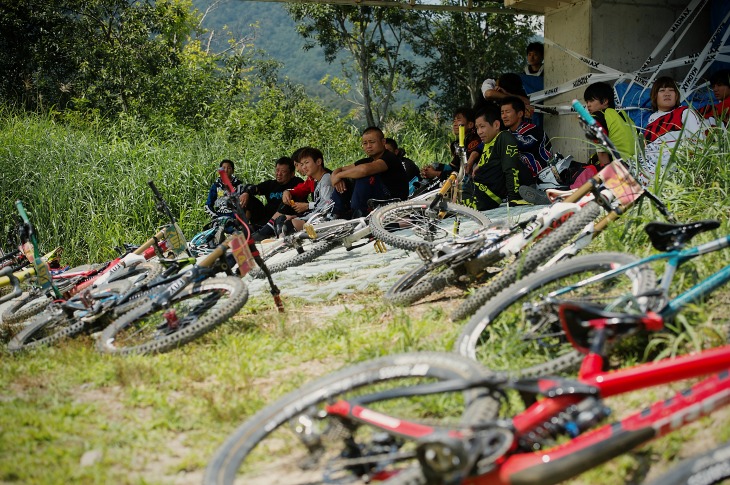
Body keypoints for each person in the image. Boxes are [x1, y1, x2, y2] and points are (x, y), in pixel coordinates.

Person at [640, 76, 708, 186]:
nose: (667, 93)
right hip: (649, 164)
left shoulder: (685, 112)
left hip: (672, 167)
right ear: (654, 96)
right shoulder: (652, 119)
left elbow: (699, 145)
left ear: (676, 95)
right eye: (662, 90)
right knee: (617, 171)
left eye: (671, 90)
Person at [463, 102, 532, 211]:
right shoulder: (487, 143)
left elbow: (511, 168)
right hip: (473, 190)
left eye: (482, 127)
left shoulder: (504, 137)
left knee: (443, 207)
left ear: (496, 125)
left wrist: (513, 198)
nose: (479, 132)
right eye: (477, 128)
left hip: (483, 197)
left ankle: (528, 189)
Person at [330, 126, 409, 219]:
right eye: (365, 143)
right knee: (345, 180)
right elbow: (340, 169)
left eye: (372, 142)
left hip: (392, 201)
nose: (368, 146)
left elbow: (364, 170)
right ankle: (336, 215)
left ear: (383, 142)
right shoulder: (368, 160)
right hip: (376, 200)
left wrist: (338, 175)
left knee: (363, 177)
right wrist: (337, 177)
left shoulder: (390, 157)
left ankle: (358, 216)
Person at [239, 156, 303, 230]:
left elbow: (298, 193)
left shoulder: (297, 182)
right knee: (248, 197)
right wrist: (246, 193)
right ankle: (243, 226)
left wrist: (288, 191)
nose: (279, 174)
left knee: (287, 201)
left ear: (292, 174)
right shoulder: (271, 184)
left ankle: (260, 228)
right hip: (266, 216)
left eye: (283, 171)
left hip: (285, 216)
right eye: (277, 170)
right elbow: (254, 188)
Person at [280, 147, 334, 233]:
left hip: (325, 219)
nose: (303, 167)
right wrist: (287, 191)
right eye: (301, 164)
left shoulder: (326, 179)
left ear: (318, 162)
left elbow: (327, 206)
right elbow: (299, 190)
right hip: (316, 215)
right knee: (282, 221)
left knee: (287, 226)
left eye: (306, 163)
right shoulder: (315, 179)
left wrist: (307, 207)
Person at [499, 96, 552, 183]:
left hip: (543, 176)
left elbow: (524, 144)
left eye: (507, 112)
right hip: (526, 178)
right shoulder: (507, 134)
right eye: (502, 113)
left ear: (520, 114)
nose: (504, 116)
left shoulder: (532, 129)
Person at [421, 107, 482, 182]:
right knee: (435, 165)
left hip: (470, 181)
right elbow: (453, 167)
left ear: (470, 124)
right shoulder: (457, 144)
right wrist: (430, 169)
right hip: (459, 175)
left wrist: (436, 174)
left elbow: (464, 172)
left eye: (458, 120)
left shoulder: (475, 142)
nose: (455, 124)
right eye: (454, 121)